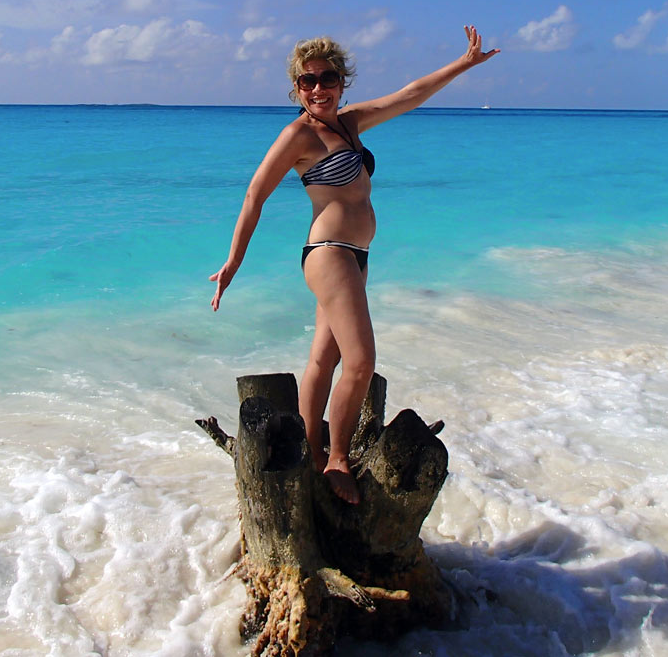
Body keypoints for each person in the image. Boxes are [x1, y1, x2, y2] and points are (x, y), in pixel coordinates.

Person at [210, 26, 500, 503]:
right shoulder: (296, 135)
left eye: (327, 78)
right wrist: (233, 260)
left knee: (325, 359)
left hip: (355, 255)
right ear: (296, 88)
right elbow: (254, 194)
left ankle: (309, 446)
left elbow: (411, 95)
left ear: (343, 83)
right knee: (361, 362)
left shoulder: (350, 123)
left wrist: (464, 64)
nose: (318, 88)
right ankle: (337, 459)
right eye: (307, 82)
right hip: (328, 253)